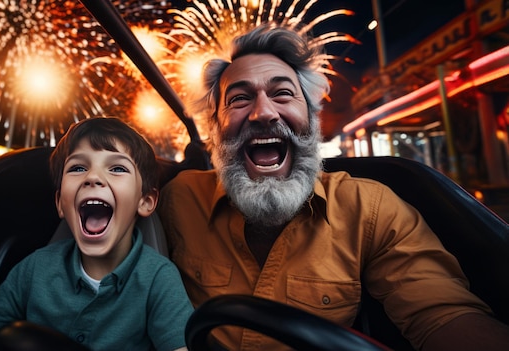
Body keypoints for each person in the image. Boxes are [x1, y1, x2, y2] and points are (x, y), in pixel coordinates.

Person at [157, 23, 509, 351]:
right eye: (238, 99)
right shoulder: (178, 198)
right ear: (215, 129)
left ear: (312, 119)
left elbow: (440, 315)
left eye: (282, 94)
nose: (263, 113)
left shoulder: (370, 208)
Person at [0, 117, 193, 351]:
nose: (93, 178)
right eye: (77, 169)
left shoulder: (158, 279)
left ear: (145, 201)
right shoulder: (34, 269)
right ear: (61, 203)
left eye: (116, 169)